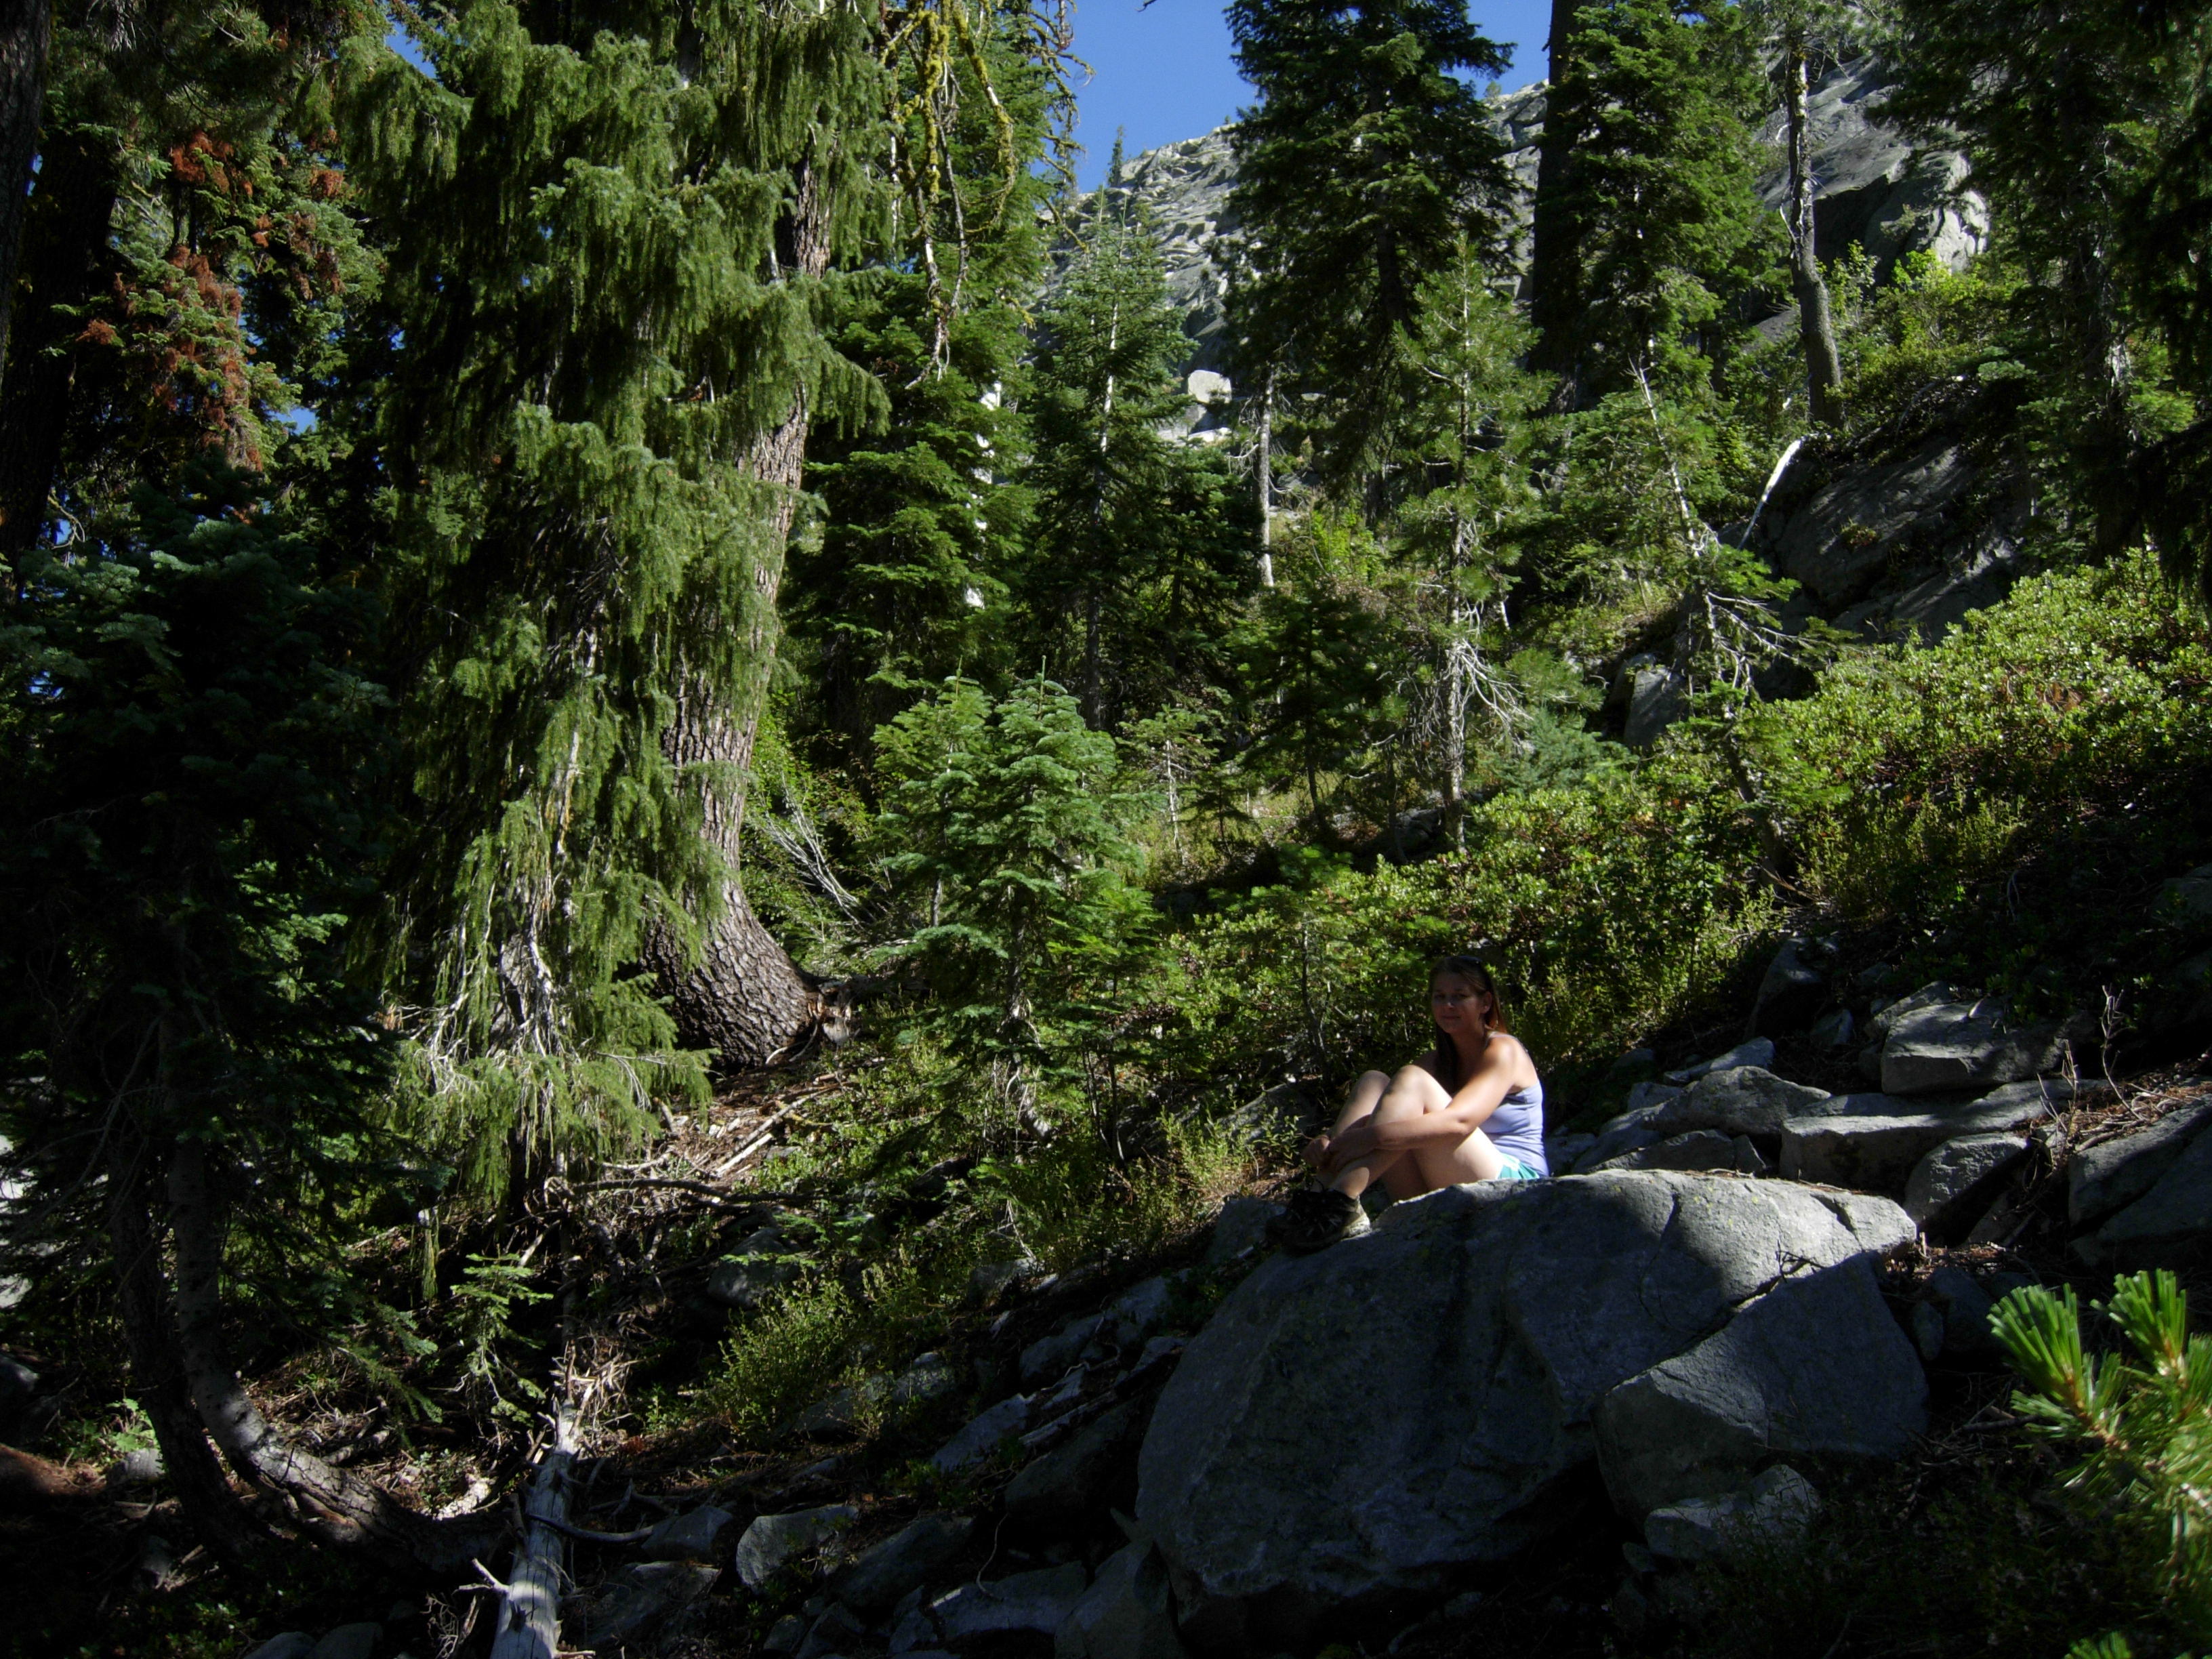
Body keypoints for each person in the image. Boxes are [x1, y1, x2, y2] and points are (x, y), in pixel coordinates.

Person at [1269, 956, 1547, 1254]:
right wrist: (1331, 1142)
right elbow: (1386, 1115)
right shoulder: (1436, 1062)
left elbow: (1459, 1123)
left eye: (1460, 996)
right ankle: (1316, 1198)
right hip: (1442, 1181)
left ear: (1485, 1002)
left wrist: (1368, 1137)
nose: (1448, 1005)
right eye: (1440, 997)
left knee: (1412, 1081)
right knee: (1373, 1082)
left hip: (1512, 1185)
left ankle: (1342, 1201)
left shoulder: (1503, 1050)